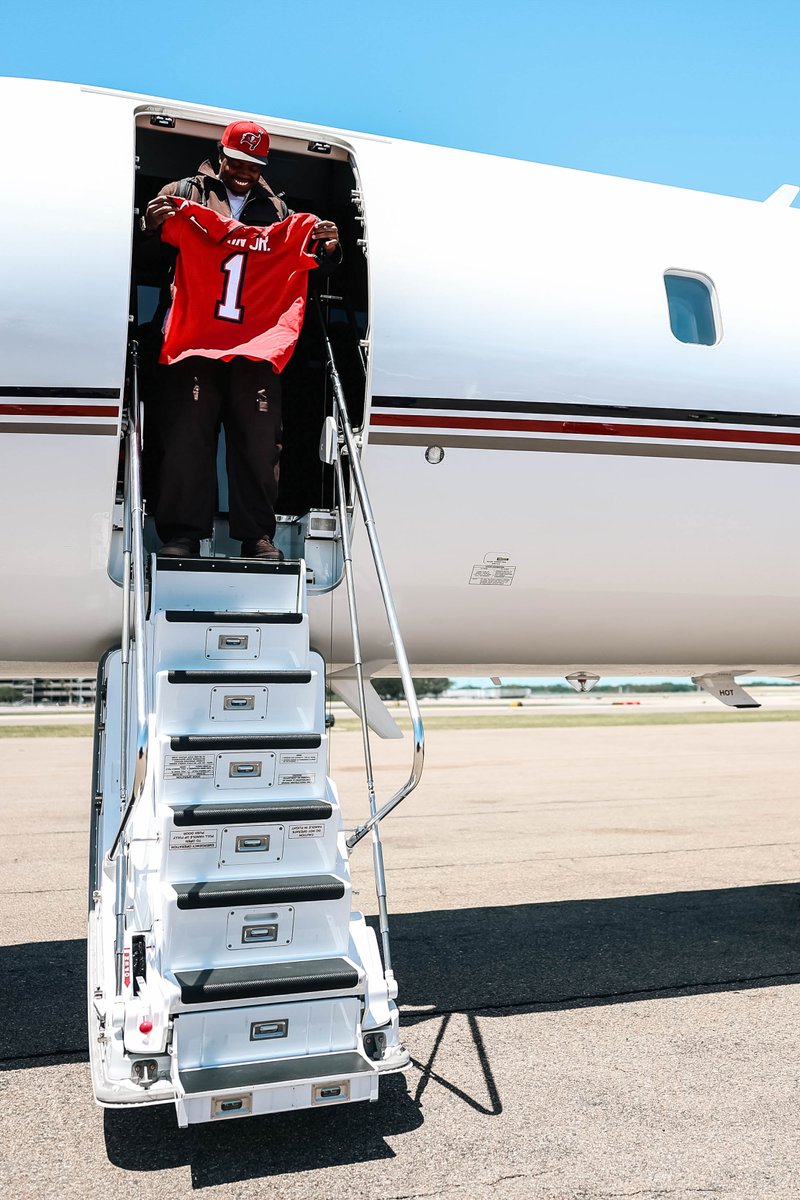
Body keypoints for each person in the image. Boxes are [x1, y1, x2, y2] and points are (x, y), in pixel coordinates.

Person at [139, 119, 341, 560]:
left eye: (255, 165)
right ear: (221, 154)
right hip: (194, 339)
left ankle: (257, 537)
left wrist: (327, 249)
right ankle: (183, 536)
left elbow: (307, 267)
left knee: (260, 441)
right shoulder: (185, 193)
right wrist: (151, 228)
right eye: (238, 162)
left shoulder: (279, 211)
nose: (246, 172)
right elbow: (145, 262)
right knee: (187, 436)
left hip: (256, 343)